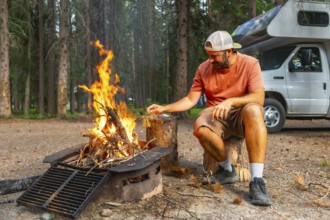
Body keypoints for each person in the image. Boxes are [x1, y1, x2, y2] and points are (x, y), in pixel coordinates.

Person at [147, 30, 272, 206]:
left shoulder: (250, 63)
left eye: (215, 56)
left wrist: (230, 101)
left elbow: (259, 98)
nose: (211, 60)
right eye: (209, 56)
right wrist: (164, 108)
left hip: (242, 111)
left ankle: (257, 181)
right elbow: (191, 99)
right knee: (200, 128)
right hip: (215, 114)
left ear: (229, 51)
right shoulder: (204, 68)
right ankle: (227, 170)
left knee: (254, 110)